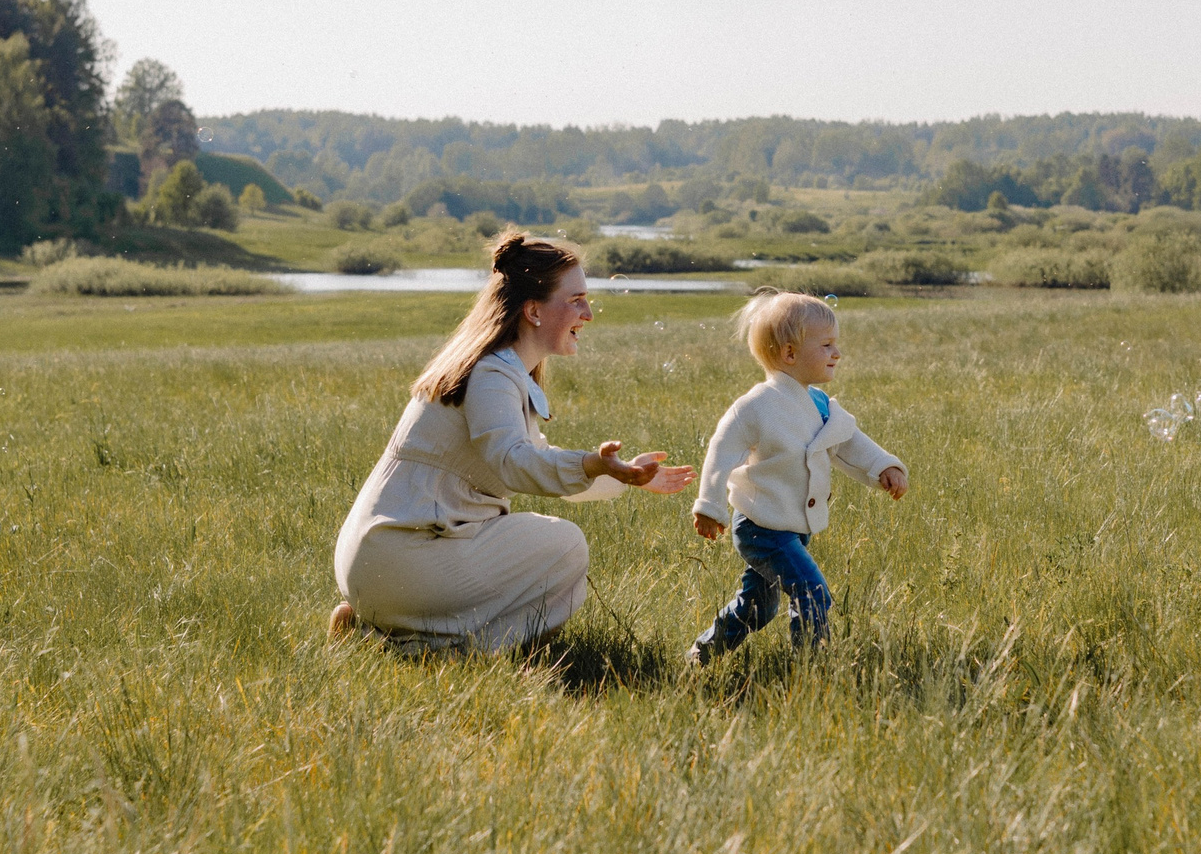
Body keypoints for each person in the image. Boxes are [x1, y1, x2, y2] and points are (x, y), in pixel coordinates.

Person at [332, 231, 694, 651]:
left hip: (379, 559)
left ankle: (374, 634)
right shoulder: (491, 375)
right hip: (403, 559)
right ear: (534, 310)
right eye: (576, 299)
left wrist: (623, 474)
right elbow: (513, 462)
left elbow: (535, 458)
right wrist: (592, 463)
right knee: (565, 546)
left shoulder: (496, 369)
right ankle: (437, 653)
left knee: (552, 545)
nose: (589, 314)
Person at [688, 290, 909, 663]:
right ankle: (810, 665)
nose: (837, 353)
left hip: (792, 526)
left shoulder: (819, 404)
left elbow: (849, 441)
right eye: (826, 345)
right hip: (760, 527)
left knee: (758, 605)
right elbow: (721, 453)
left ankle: (703, 654)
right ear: (790, 353)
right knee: (812, 591)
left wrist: (884, 466)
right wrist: (710, 506)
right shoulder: (755, 406)